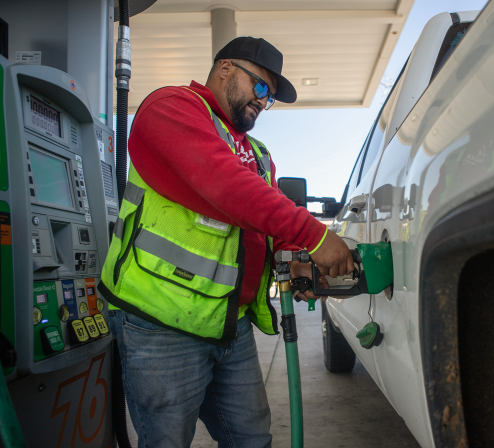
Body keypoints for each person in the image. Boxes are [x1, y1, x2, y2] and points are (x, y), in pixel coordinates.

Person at [98, 36, 354, 447]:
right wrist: (315, 233)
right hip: (160, 323)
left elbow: (258, 228)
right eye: (261, 87)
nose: (263, 102)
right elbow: (226, 186)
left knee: (252, 439)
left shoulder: (258, 153)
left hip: (229, 326)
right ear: (225, 69)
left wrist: (293, 261)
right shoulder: (171, 108)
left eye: (269, 98)